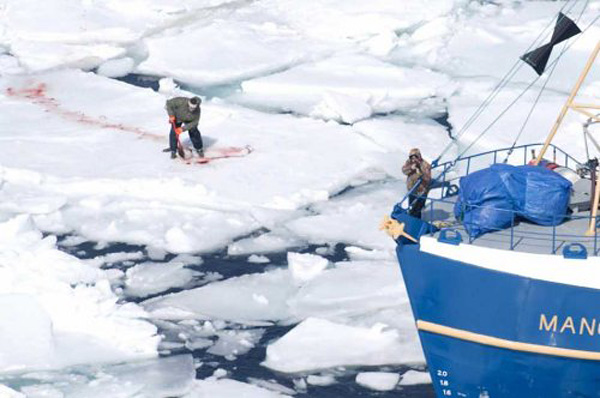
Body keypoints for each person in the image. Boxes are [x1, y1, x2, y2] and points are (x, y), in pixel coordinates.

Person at [402, 148, 432, 218]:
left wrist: (420, 173)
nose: (414, 159)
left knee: (418, 209)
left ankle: (417, 221)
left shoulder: (425, 165)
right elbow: (404, 171)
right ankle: (411, 220)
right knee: (411, 207)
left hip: (421, 191)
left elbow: (428, 178)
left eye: (415, 157)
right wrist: (411, 168)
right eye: (411, 157)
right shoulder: (409, 163)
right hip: (412, 190)